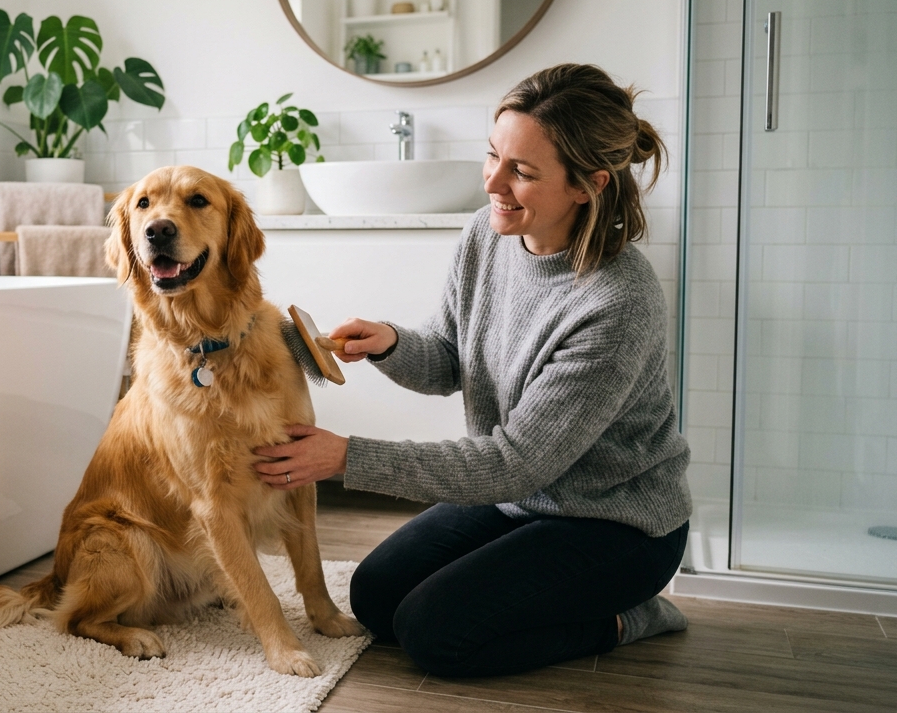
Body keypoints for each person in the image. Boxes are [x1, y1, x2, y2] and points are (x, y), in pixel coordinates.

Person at [253, 63, 692, 678]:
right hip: (519, 500)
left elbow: (516, 462)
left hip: (613, 524)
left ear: (586, 186)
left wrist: (346, 457)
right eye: (493, 156)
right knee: (375, 599)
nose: (494, 182)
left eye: (523, 171)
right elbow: (449, 360)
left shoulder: (615, 303)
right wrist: (390, 344)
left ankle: (629, 616)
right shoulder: (487, 238)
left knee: (437, 636)